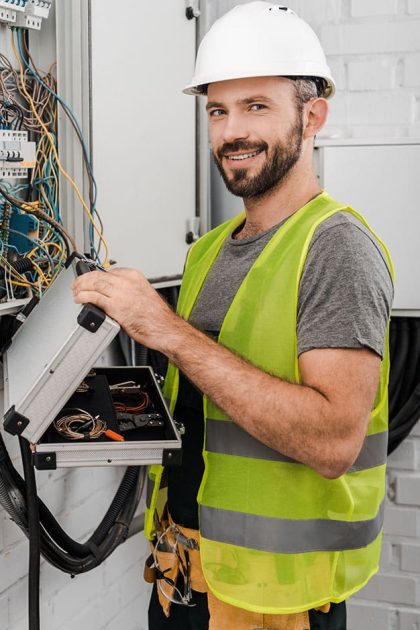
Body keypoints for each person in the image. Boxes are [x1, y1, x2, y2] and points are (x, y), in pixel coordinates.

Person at [72, 3, 394, 629]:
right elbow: (206, 405)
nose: (231, 131)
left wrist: (164, 330)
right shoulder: (208, 251)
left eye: (257, 106)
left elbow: (332, 442)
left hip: (273, 603)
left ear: (313, 116)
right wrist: (90, 409)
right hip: (182, 575)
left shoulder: (336, 249)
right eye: (218, 110)